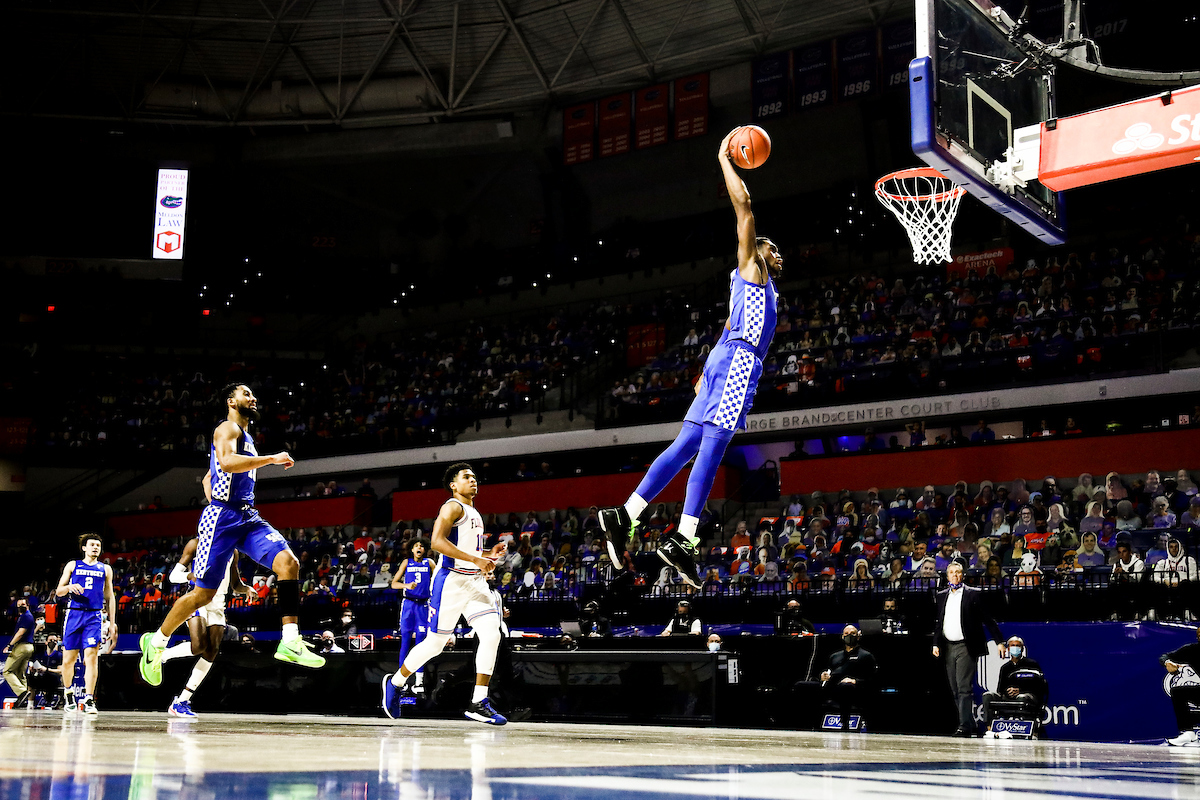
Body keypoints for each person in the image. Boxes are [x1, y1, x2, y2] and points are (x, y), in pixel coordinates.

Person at [597, 127, 784, 588]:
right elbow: (745, 208)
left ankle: (626, 514)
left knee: (685, 445)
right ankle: (683, 537)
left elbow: (724, 326)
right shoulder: (753, 266)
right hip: (739, 363)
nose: (777, 252)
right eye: (771, 246)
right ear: (757, 252)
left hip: (725, 359)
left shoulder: (755, 287)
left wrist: (706, 369)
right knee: (715, 445)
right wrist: (725, 157)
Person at [139, 384, 323, 687]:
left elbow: (212, 474)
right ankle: (156, 643)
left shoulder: (247, 437)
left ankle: (290, 640)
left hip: (247, 515)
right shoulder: (227, 427)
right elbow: (225, 462)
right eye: (246, 393)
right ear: (231, 400)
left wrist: (216, 488)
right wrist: (271, 459)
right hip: (223, 519)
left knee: (288, 564)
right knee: (203, 594)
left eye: (253, 395)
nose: (253, 398)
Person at [381, 463, 508, 724]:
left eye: (474, 477)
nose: (473, 481)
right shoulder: (452, 506)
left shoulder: (474, 511)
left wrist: (487, 555)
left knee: (491, 633)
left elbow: (466, 548)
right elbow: (437, 543)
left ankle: (478, 702)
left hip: (474, 582)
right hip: (451, 581)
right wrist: (477, 559)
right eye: (466, 477)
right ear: (453, 484)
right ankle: (395, 683)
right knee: (436, 644)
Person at [160, 528, 252, 718]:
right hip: (197, 598)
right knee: (199, 645)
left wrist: (246, 588)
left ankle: (182, 701)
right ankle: (162, 655)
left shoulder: (232, 550)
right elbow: (172, 576)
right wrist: (190, 576)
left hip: (218, 604)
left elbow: (235, 584)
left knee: (211, 651)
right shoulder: (195, 544)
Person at [933, 562, 1005, 736]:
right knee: (955, 688)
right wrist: (936, 642)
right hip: (949, 646)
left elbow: (988, 619)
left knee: (964, 687)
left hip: (966, 645)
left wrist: (999, 641)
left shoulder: (973, 594)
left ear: (962, 575)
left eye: (958, 572)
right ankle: (969, 723)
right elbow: (939, 622)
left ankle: (964, 726)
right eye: (951, 572)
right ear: (947, 575)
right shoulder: (942, 595)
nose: (955, 575)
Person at [54, 533, 116, 714]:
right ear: (84, 548)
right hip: (74, 614)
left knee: (91, 658)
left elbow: (110, 596)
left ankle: (89, 699)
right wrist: (68, 588)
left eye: (98, 545)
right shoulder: (73, 565)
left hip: (94, 617)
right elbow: (58, 591)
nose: (96, 547)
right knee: (68, 660)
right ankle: (68, 693)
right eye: (92, 545)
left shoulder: (105, 569)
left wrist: (112, 622)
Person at [390, 538, 434, 694]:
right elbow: (393, 583)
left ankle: (419, 682)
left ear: (425, 549)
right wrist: (405, 585)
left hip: (423, 605)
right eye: (416, 546)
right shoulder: (406, 563)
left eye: (421, 546)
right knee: (406, 641)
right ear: (412, 549)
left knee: (421, 643)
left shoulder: (429, 563)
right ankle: (402, 681)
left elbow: (438, 580)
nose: (419, 548)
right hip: (408, 604)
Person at [981, 636, 1048, 730]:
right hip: (1008, 697)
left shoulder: (1032, 664)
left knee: (1021, 697)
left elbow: (1039, 687)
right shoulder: (1005, 668)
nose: (1015, 648)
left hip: (1028, 696)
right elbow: (1000, 689)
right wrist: (1008, 691)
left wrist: (1020, 691)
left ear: (1022, 648)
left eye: (1018, 646)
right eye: (1012, 646)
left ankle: (1026, 729)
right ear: (1008, 648)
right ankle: (990, 728)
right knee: (987, 695)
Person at [820, 624, 878, 731]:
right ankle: (806, 724)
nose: (849, 636)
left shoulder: (866, 656)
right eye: (846, 634)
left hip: (855, 690)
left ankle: (845, 724)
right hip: (834, 688)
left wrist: (855, 681)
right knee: (803, 685)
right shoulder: (834, 656)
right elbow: (828, 672)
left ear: (858, 637)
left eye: (852, 634)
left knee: (846, 687)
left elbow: (873, 679)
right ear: (842, 637)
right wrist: (823, 676)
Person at [1161, 627, 1200, 746]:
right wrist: (1168, 662)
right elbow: (1165, 656)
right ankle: (1189, 733)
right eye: (1199, 635)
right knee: (1178, 692)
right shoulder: (1192, 650)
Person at [2, 598, 36, 708]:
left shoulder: (27, 616)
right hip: (29, 647)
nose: (20, 606)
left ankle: (22, 692)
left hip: (22, 646)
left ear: (28, 605)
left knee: (7, 671)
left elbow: (20, 633)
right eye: (19, 604)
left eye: (23, 604)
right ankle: (24, 700)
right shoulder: (25, 616)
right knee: (21, 673)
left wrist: (9, 645)